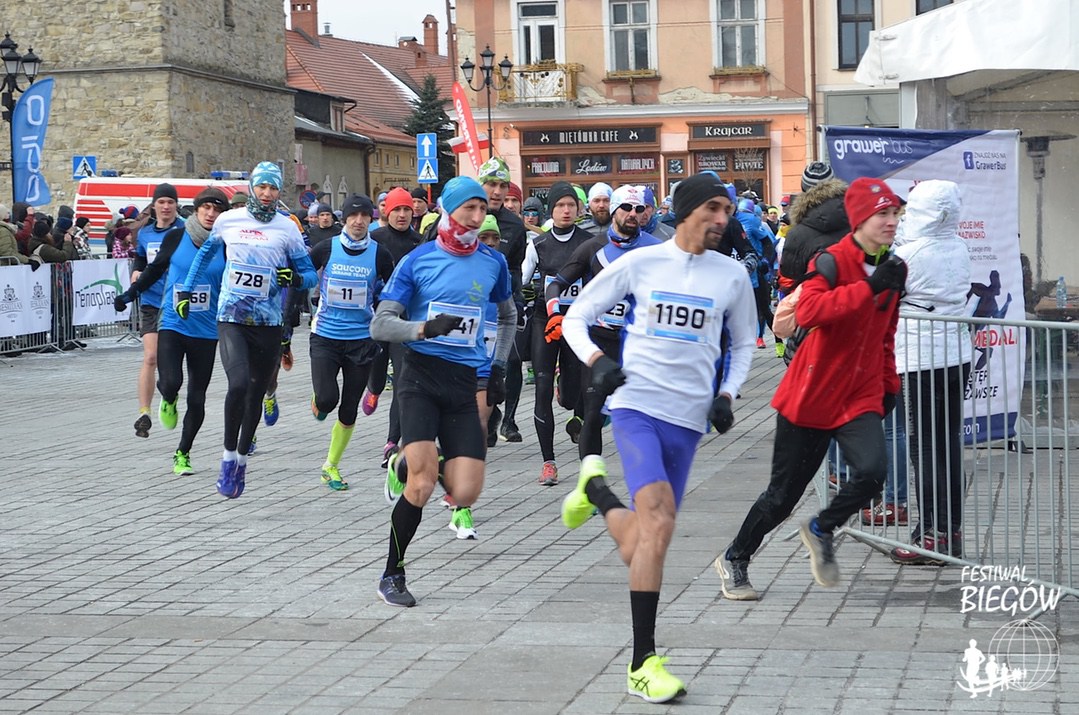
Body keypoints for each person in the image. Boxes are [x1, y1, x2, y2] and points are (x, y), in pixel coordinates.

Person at [560, 172, 756, 703]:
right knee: (660, 520)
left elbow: (744, 343)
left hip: (689, 419)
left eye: (727, 210)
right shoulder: (641, 263)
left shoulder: (732, 275)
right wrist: (598, 362)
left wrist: (727, 394)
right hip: (636, 407)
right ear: (687, 210)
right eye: (713, 208)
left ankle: (595, 491)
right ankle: (642, 663)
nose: (722, 219)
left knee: (646, 539)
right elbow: (576, 317)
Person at [717, 177, 906, 600]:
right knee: (782, 498)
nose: (891, 221)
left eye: (895, 213)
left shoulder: (894, 267)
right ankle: (736, 556)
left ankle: (821, 528)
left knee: (872, 473)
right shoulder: (831, 261)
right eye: (883, 213)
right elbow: (811, 311)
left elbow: (886, 332)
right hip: (812, 393)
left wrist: (888, 383)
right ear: (860, 218)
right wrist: (868, 288)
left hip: (859, 394)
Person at [370, 176, 516, 606]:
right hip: (420, 378)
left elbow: (508, 316)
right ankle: (393, 574)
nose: (477, 216)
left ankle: (406, 462)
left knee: (466, 491)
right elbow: (380, 324)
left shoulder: (493, 262)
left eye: (482, 209)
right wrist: (423, 329)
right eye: (469, 208)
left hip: (464, 382)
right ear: (448, 211)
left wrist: (499, 365)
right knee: (422, 483)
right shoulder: (418, 260)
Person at [179, 161, 318, 498]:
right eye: (262, 187)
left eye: (273, 188)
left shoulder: (287, 228)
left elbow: (311, 275)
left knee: (256, 392)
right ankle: (227, 458)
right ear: (252, 187)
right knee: (238, 384)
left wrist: (294, 278)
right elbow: (204, 256)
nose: (267, 193)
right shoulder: (229, 220)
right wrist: (186, 290)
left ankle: (241, 459)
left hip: (268, 323)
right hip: (231, 317)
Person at [113, 188, 230, 474]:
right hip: (173, 324)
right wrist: (129, 295)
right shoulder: (177, 237)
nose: (211, 214)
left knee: (197, 397)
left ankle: (183, 453)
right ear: (196, 210)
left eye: (217, 210)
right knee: (170, 382)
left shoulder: (226, 244)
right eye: (206, 208)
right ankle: (168, 398)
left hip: (206, 330)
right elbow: (154, 270)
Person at [887, 180, 973, 564]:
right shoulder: (959, 246)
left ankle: (932, 535)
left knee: (924, 447)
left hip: (921, 359)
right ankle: (949, 531)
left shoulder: (907, 256)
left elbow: (883, 297)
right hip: (957, 354)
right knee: (948, 444)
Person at [544, 184, 661, 463]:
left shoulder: (656, 249)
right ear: (613, 211)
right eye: (626, 208)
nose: (632, 214)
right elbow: (555, 284)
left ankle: (647, 473)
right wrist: (554, 313)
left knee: (643, 413)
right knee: (592, 412)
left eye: (639, 209)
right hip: (599, 340)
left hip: (638, 342)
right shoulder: (593, 248)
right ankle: (590, 476)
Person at [307, 193, 395, 490]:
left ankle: (330, 466)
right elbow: (302, 276)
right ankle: (319, 399)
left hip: (361, 340)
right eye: (353, 216)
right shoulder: (326, 248)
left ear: (371, 218)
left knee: (348, 408)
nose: (358, 221)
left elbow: (393, 291)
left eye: (364, 216)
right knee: (327, 399)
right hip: (326, 336)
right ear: (343, 219)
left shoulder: (380, 254)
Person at [522, 181, 593, 485]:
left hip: (577, 323)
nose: (566, 210)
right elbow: (523, 282)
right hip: (546, 321)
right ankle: (548, 462)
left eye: (571, 205)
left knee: (573, 395)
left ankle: (568, 395)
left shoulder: (589, 243)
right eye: (560, 205)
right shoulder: (538, 245)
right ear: (551, 210)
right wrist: (522, 296)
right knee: (541, 387)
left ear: (578, 209)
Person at [366, 187, 424, 464]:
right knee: (377, 375)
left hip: (404, 321)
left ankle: (392, 441)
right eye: (396, 210)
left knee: (402, 380)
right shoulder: (375, 240)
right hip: (377, 319)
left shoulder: (419, 242)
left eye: (406, 210)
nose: (402, 215)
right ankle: (374, 389)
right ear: (386, 212)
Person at [475, 158, 529, 444]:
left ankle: (503, 418)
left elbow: (516, 267)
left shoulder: (514, 225)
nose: (497, 192)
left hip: (500, 306)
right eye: (491, 184)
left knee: (509, 361)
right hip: (467, 303)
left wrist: (517, 299)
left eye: (503, 185)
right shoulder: (464, 213)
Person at [129, 183, 184, 438]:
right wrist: (136, 272)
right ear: (154, 206)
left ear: (176, 205)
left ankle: (169, 394)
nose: (166, 207)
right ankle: (144, 413)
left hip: (177, 302)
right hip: (151, 300)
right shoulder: (145, 233)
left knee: (170, 359)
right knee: (151, 357)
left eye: (170, 202)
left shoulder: (185, 230)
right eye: (161, 202)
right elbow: (141, 258)